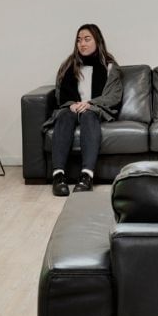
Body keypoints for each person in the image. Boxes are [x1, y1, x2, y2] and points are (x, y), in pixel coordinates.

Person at [46, 24, 123, 197]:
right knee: (64, 115)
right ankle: (58, 176)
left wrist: (90, 103)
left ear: (97, 41)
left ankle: (86, 176)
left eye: (87, 39)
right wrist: (71, 104)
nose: (82, 43)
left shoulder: (110, 66)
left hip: (95, 109)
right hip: (72, 107)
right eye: (79, 40)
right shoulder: (68, 66)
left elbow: (114, 96)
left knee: (88, 115)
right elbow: (60, 95)